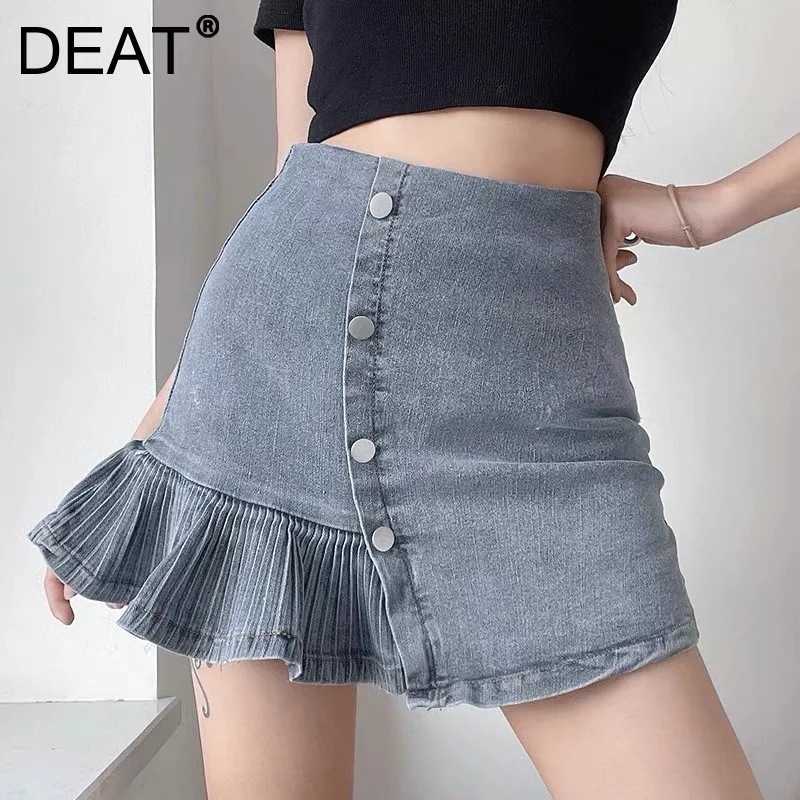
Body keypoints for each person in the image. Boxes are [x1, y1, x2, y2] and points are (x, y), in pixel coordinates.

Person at [29, 2, 798, 798]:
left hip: (537, 387)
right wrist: (174, 409)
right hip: (277, 373)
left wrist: (707, 209)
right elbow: (296, 168)